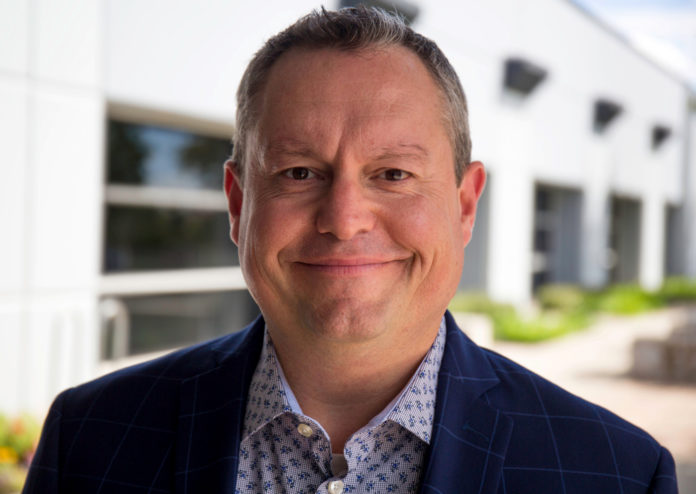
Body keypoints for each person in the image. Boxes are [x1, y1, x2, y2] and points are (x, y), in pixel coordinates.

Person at [23, 7, 677, 494]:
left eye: (393, 174)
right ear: (238, 204)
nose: (343, 219)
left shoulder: (616, 473)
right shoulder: (90, 438)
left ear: (464, 205)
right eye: (298, 172)